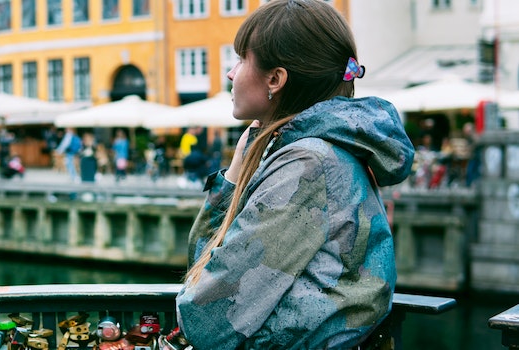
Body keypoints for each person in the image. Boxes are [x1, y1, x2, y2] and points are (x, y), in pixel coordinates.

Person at [171, 1, 415, 349]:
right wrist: (236, 174)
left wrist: (235, 181)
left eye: (241, 59)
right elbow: (203, 268)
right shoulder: (318, 151)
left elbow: (206, 318)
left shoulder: (308, 165)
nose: (231, 72)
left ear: (275, 79)